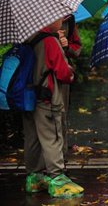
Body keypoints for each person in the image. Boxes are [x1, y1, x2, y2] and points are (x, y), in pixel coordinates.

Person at [23, 18, 83, 198]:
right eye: (59, 18)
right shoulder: (50, 41)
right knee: (53, 136)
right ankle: (58, 180)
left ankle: (35, 178)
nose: (62, 21)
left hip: (28, 96)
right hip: (48, 97)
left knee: (32, 137)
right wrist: (71, 71)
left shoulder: (28, 37)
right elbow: (63, 73)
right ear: (49, 19)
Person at [57, 14, 81, 155]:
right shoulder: (34, 15)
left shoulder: (68, 18)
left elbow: (77, 47)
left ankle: (61, 154)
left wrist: (67, 46)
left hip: (62, 73)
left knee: (61, 113)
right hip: (40, 74)